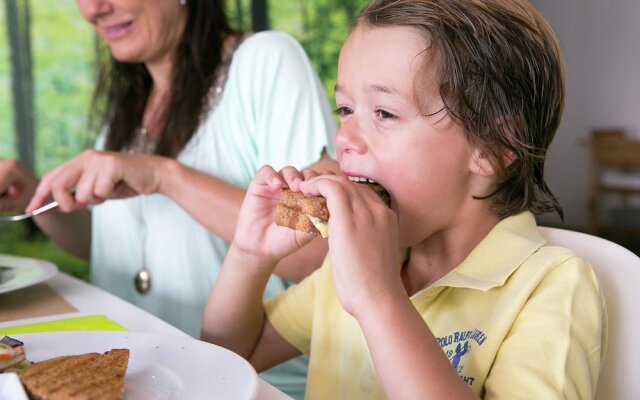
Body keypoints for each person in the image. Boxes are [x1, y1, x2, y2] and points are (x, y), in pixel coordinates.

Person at [201, 0, 607, 398]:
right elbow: (234, 353)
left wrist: (377, 298)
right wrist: (250, 256)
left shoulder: (553, 286)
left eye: (384, 113)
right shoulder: (353, 261)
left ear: (493, 147)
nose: (343, 139)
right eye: (345, 108)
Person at [0, 0, 337, 397]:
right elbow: (105, 249)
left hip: (254, 385)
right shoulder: (132, 102)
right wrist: (35, 198)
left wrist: (164, 175)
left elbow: (322, 252)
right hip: (142, 379)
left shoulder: (266, 61)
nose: (93, 9)